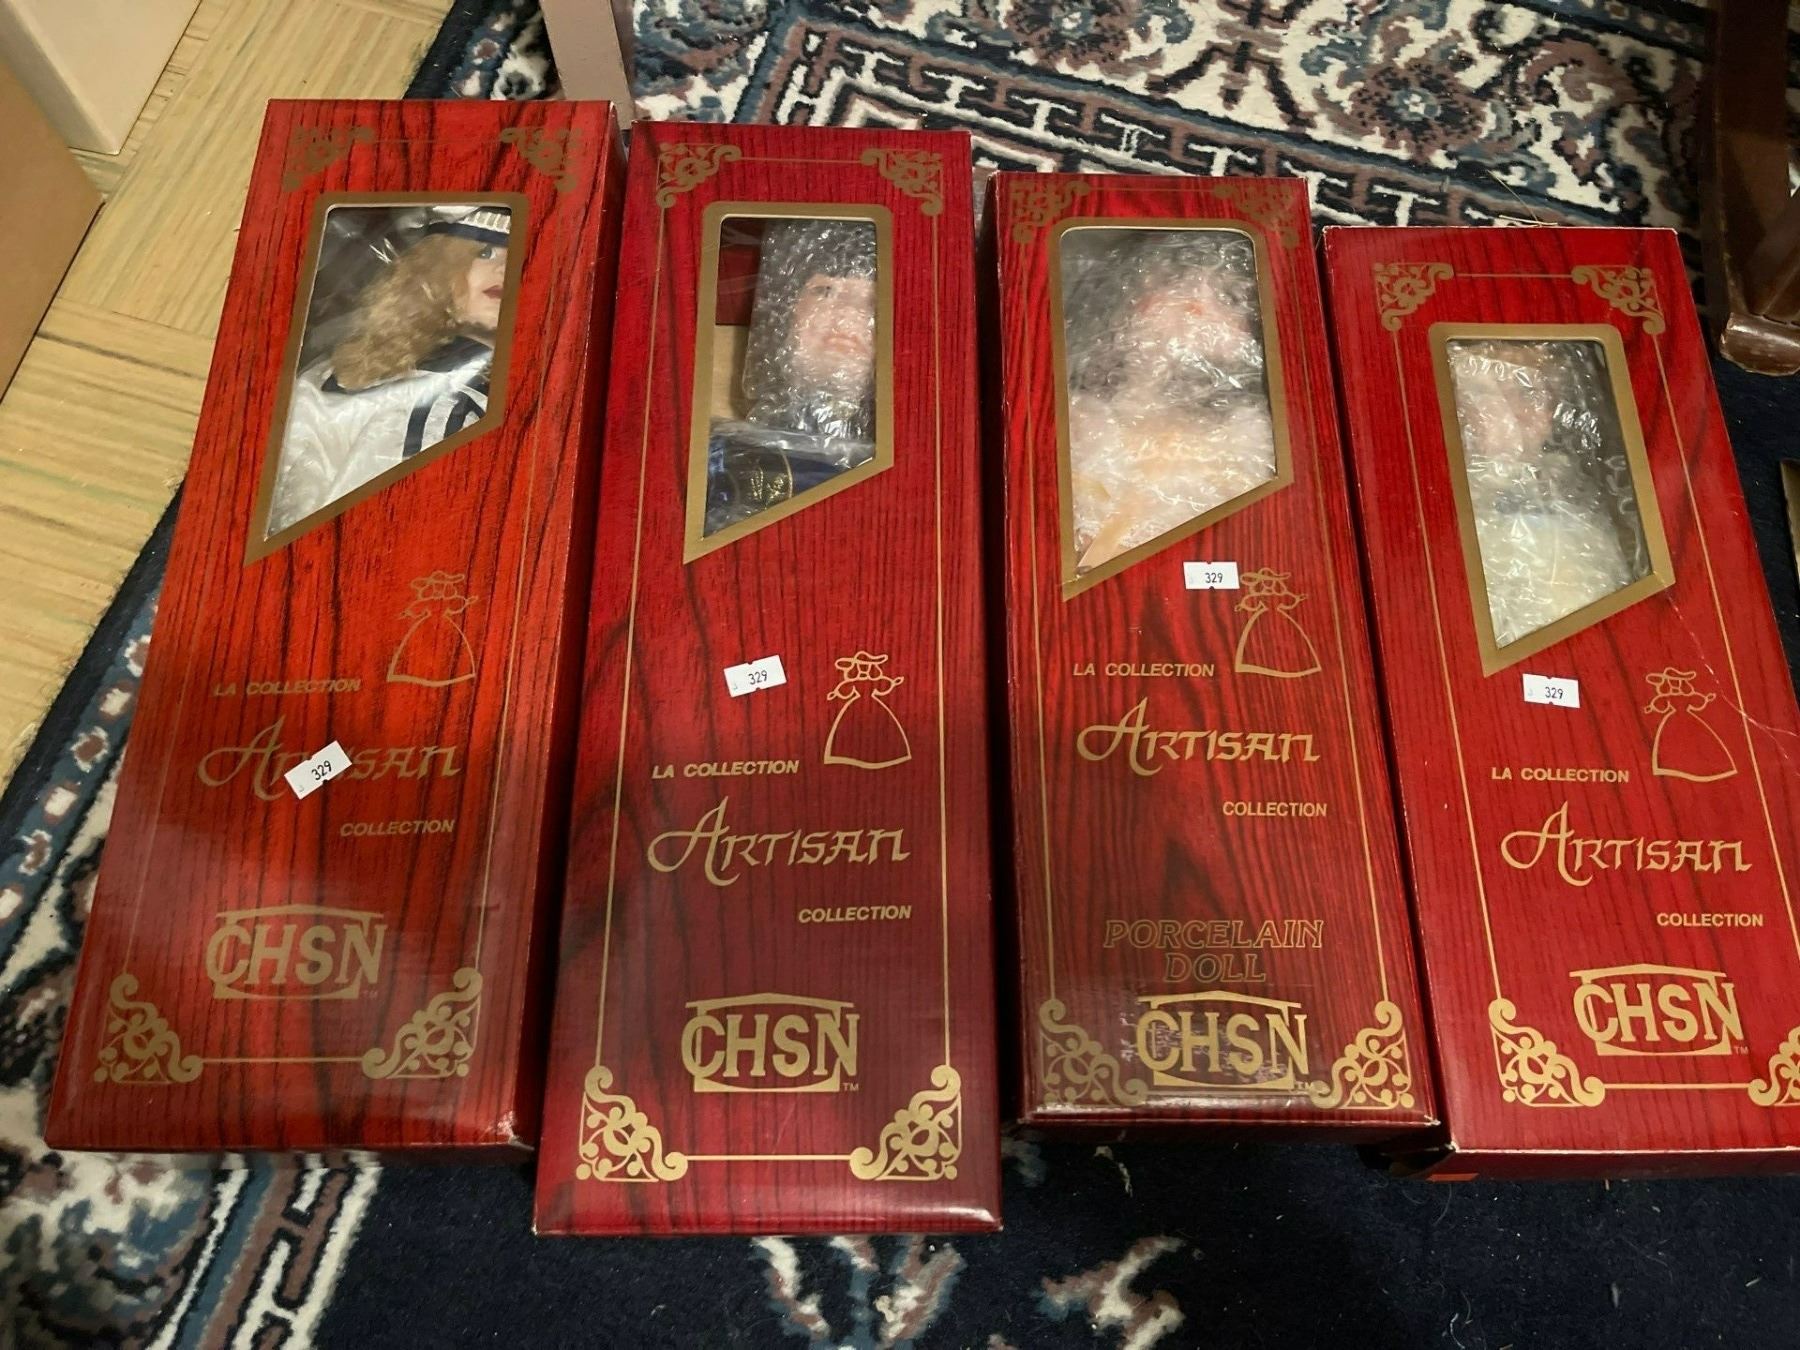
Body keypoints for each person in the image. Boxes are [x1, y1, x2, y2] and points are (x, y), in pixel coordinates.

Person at [265, 204, 513, 536]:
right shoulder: (428, 402)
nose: (504, 269)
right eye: (484, 252)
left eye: (519, 258)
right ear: (438, 271)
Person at [1060, 229, 1278, 576]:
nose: (1195, 307)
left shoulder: (1250, 440)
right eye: (1173, 284)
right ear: (1124, 304)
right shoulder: (1080, 421)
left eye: (1229, 298)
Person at [1445, 340, 1647, 648]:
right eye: (1487, 394)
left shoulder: (1577, 503)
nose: (1515, 413)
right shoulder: (1437, 499)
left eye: (1529, 394)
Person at [701, 219, 878, 537]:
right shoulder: (720, 458)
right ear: (785, 309)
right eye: (826, 291)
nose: (848, 313)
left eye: (872, 300)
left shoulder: (926, 468)